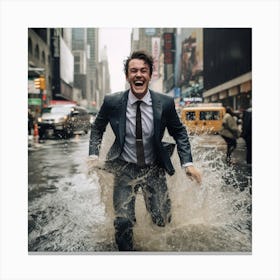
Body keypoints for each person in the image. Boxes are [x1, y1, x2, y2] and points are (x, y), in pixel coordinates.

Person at [88, 50, 201, 251]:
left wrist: (188, 164)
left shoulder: (164, 103)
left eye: (143, 70)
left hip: (154, 170)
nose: (138, 74)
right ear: (127, 76)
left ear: (149, 75)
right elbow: (97, 128)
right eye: (133, 71)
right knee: (122, 222)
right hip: (124, 169)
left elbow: (180, 132)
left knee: (161, 220)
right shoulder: (112, 102)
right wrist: (93, 155)